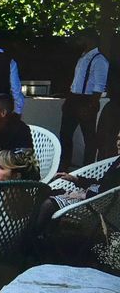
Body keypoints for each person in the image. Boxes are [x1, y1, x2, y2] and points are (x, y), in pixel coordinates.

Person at [37, 131, 120, 232]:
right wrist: (75, 179)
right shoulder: (118, 161)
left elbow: (109, 192)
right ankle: (42, 234)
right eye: (118, 139)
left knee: (49, 204)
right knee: (45, 192)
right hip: (92, 196)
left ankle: (34, 236)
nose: (118, 143)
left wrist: (82, 195)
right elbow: (101, 183)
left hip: (96, 203)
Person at [58, 29, 109, 170]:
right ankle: (64, 166)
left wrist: (91, 105)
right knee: (65, 134)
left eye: (81, 38)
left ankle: (88, 168)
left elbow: (99, 86)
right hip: (74, 99)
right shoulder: (82, 57)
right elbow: (76, 81)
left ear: (89, 40)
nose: (78, 41)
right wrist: (68, 100)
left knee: (89, 138)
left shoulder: (99, 60)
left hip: (87, 100)